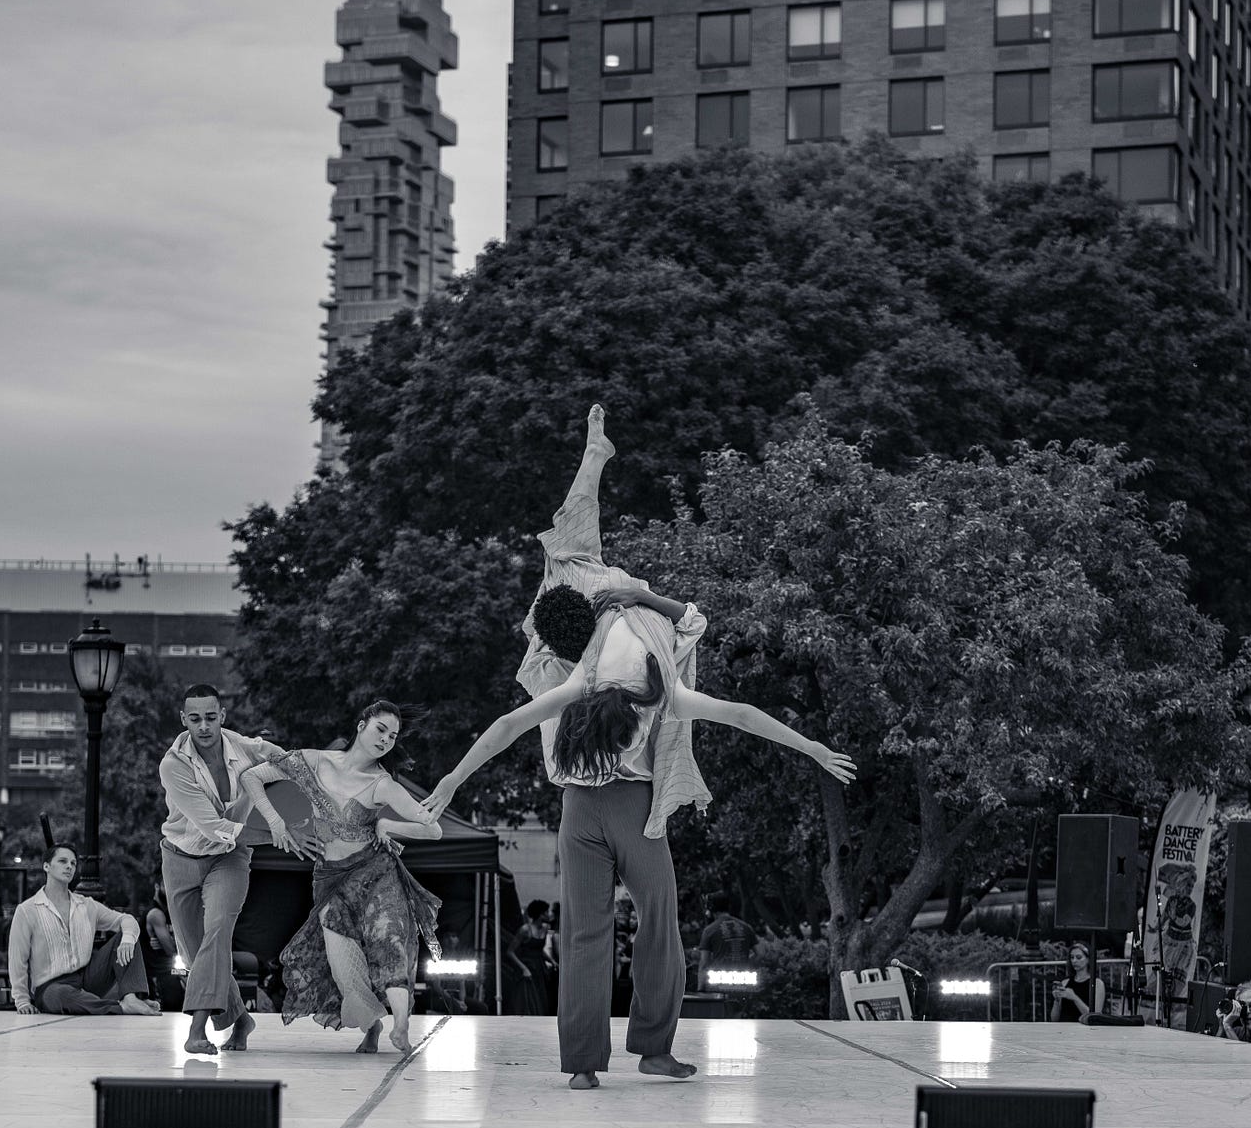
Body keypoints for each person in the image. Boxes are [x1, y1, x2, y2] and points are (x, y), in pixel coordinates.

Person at [424, 419, 855, 1088]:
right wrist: (810, 747)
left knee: (642, 924)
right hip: (600, 810)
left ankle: (625, 1055)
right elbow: (512, 723)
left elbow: (510, 724)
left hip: (608, 811)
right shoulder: (603, 687)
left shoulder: (622, 683)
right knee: (603, 932)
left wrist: (811, 746)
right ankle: (597, 1060)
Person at [239, 700, 443, 1054]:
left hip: (376, 873)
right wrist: (277, 824)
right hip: (330, 879)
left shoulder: (382, 784)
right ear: (362, 724)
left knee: (390, 939)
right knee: (343, 965)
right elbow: (252, 777)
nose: (386, 740)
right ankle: (373, 1025)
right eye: (381, 729)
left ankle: (402, 1025)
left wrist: (388, 823)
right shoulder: (314, 761)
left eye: (393, 736)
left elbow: (434, 830)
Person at [159, 683, 291, 1056]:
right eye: (195, 719)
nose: (204, 726)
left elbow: (290, 763)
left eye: (211, 718)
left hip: (231, 857)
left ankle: (197, 1031)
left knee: (217, 931)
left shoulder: (246, 748)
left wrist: (305, 808)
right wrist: (281, 834)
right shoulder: (173, 765)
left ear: (223, 717)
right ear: (184, 720)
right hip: (180, 856)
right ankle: (241, 1019)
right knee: (196, 949)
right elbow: (214, 826)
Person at [8, 843, 157, 1017]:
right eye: (63, 861)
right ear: (46, 866)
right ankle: (120, 1007)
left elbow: (127, 919)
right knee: (63, 995)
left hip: (88, 978)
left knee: (127, 933)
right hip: (50, 988)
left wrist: (127, 940)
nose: (69, 866)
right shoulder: (27, 910)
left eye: (73, 863)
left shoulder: (87, 905)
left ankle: (131, 998)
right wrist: (22, 1000)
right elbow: (17, 959)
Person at [697, 893, 757, 993]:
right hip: (743, 982)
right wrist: (746, 963)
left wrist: (700, 989)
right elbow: (761, 953)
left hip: (719, 983)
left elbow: (704, 963)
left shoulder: (709, 930)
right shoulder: (746, 926)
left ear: (711, 908)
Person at [1052, 942, 1105, 1022]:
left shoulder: (1097, 984)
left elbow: (1095, 1017)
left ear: (1088, 959)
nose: (1074, 961)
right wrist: (1056, 1000)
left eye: (1079, 957)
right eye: (1072, 957)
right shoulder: (1065, 983)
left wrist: (1075, 998)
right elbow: (1054, 1019)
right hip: (1064, 1029)